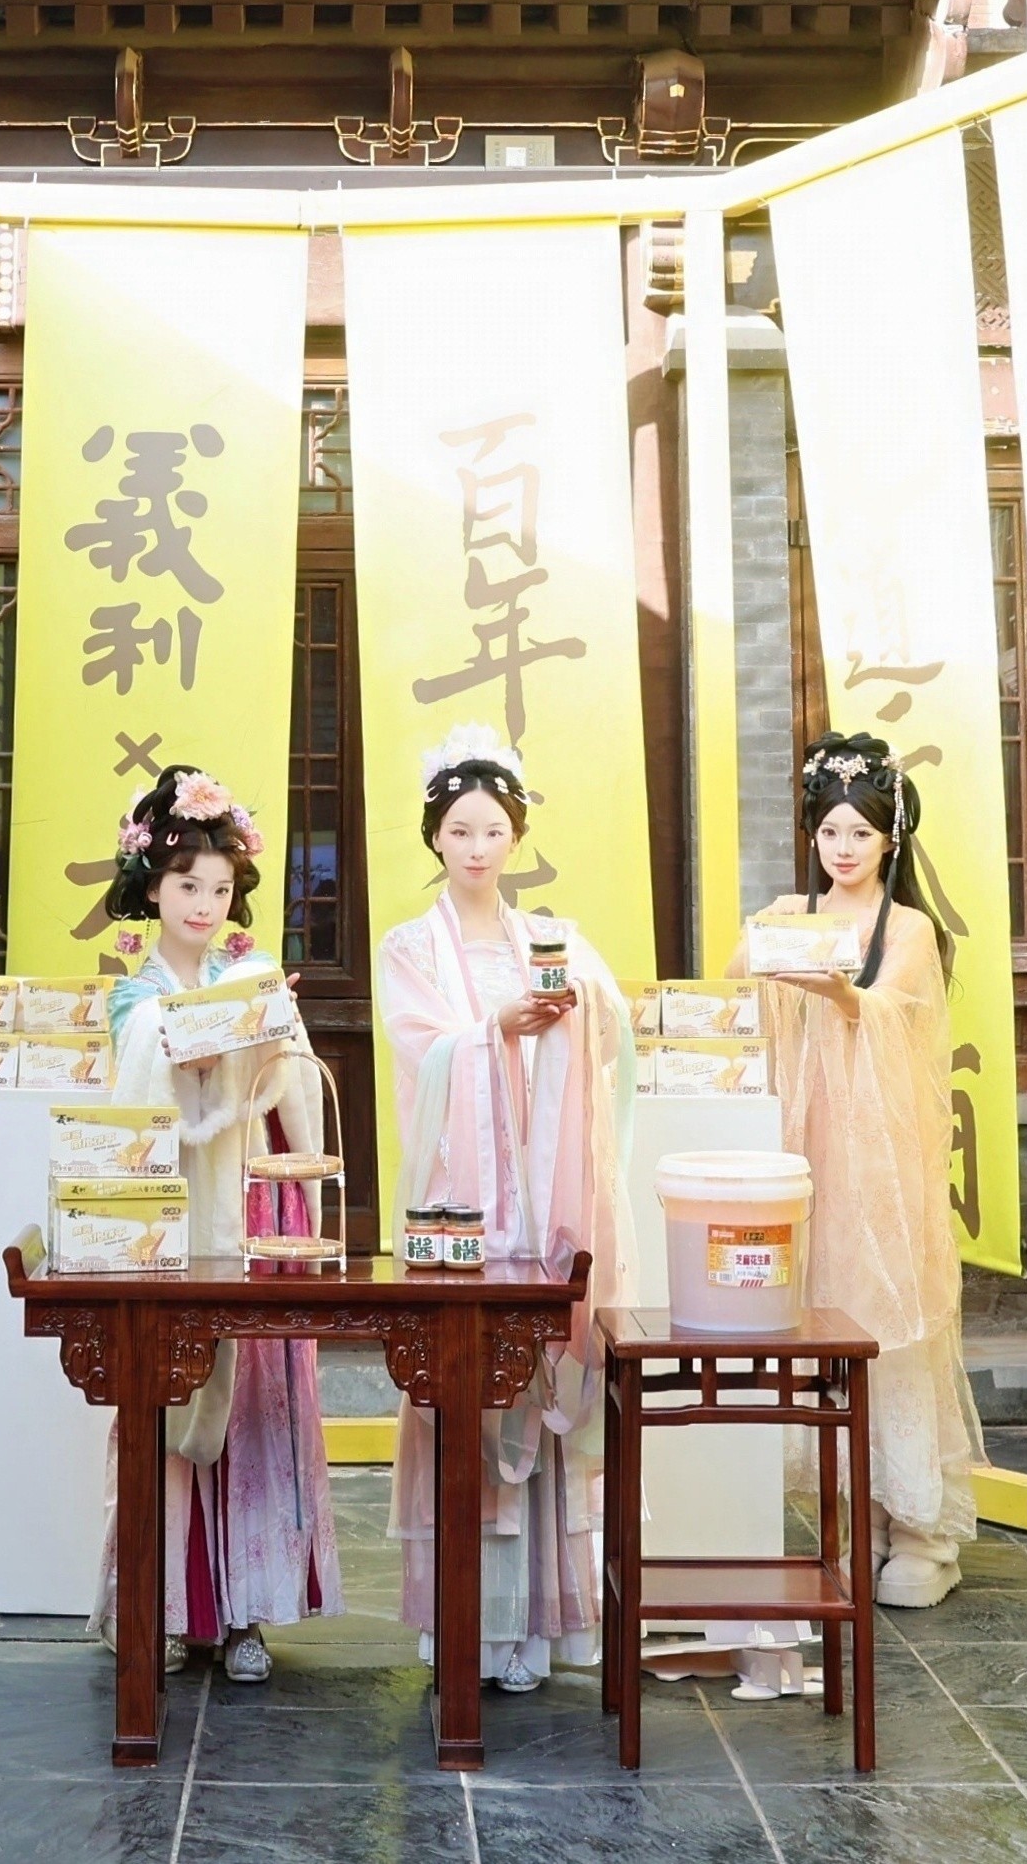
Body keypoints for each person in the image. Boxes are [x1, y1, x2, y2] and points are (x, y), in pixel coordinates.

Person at [376, 723, 635, 1694]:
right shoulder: (409, 947)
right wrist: (496, 1028)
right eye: (459, 830)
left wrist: (577, 1013)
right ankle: (467, 1623)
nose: (476, 847)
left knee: (534, 1376)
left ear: (515, 837)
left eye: (492, 830)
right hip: (462, 1206)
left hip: (539, 1198)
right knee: (461, 1382)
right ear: (433, 837)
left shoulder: (548, 940)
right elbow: (421, 1051)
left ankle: (537, 1624)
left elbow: (608, 1031)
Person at [733, 730, 984, 1620]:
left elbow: (886, 1018)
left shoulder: (907, 929)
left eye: (861, 834)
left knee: (891, 1325)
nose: (842, 849)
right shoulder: (783, 913)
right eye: (830, 831)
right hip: (800, 1152)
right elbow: (730, 991)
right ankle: (851, 1518)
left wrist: (841, 994)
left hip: (878, 1163)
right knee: (816, 1321)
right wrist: (765, 958)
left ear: (890, 841)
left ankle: (920, 1529)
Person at [96, 766, 339, 1683]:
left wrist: (271, 1030)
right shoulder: (133, 995)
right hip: (176, 1215)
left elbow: (291, 1086)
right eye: (186, 885)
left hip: (252, 1204)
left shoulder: (252, 974)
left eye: (220, 889)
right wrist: (195, 1037)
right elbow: (140, 1082)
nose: (204, 904)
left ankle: (248, 1613)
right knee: (172, 1397)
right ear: (151, 888)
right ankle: (164, 1608)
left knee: (261, 1410)